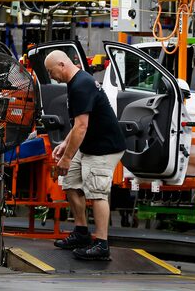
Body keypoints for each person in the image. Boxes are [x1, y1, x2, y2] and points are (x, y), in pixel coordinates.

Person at [45, 49, 126, 261]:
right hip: (90, 143)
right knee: (70, 181)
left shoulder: (81, 84)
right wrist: (65, 144)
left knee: (97, 192)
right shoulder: (76, 83)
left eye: (51, 71)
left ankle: (101, 244)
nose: (50, 76)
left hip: (105, 146)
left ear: (62, 65)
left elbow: (82, 126)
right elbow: (80, 123)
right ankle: (82, 232)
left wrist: (67, 157)